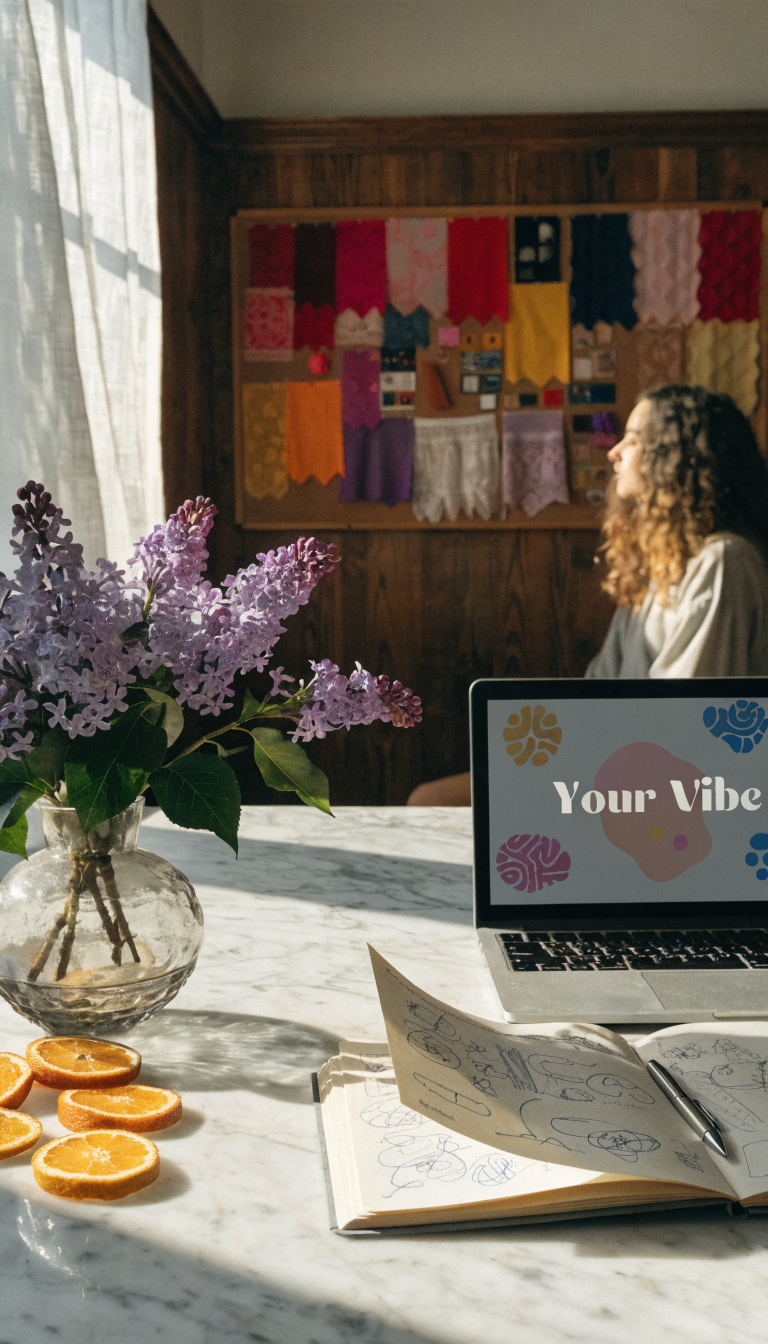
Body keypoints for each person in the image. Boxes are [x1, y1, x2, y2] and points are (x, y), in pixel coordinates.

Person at [407, 384, 768, 806]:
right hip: (617, 767)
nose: (614, 452)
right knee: (429, 799)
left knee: (428, 802)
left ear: (675, 456)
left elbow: (684, 727)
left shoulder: (723, 562)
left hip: (662, 792)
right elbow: (597, 695)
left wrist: (567, 774)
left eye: (633, 439)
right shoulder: (662, 570)